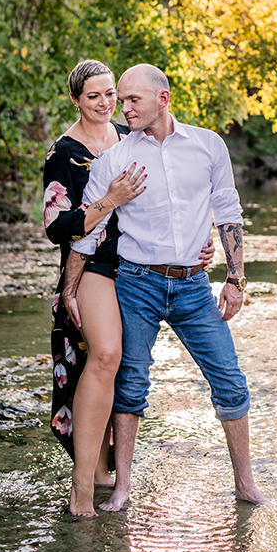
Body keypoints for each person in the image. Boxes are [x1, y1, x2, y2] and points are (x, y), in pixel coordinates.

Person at [69, 63, 266, 509]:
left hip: (195, 287)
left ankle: (245, 484)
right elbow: (89, 231)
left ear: (163, 98)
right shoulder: (116, 159)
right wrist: (70, 288)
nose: (123, 108)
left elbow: (228, 213)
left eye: (132, 99)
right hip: (136, 285)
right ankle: (122, 487)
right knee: (132, 385)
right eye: (120, 100)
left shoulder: (207, 145)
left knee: (231, 382)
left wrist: (235, 279)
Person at [44, 59, 215, 518]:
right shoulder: (63, 153)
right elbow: (57, 227)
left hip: (142, 265)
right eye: (93, 96)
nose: (105, 104)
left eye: (110, 95)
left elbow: (179, 198)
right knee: (105, 355)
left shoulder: (131, 136)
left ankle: (103, 474)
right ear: (76, 99)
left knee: (126, 372)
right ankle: (81, 489)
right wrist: (109, 201)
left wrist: (202, 244)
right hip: (97, 265)